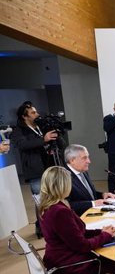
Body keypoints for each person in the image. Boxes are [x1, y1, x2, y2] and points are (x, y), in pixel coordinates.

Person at [39, 166, 115, 274]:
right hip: (68, 269)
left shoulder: (49, 206)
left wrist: (101, 231)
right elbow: (82, 246)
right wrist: (104, 236)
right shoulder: (59, 211)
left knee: (109, 263)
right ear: (62, 185)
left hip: (58, 261)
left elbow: (77, 232)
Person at [14, 101, 66, 237]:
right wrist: (44, 139)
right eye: (33, 113)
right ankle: (41, 226)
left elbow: (61, 144)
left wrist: (57, 133)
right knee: (41, 200)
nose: (37, 114)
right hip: (35, 169)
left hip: (50, 166)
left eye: (36, 111)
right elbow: (22, 145)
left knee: (56, 197)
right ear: (25, 117)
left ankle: (55, 224)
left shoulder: (41, 126)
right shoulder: (19, 130)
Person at [64, 144, 115, 216]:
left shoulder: (83, 171)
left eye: (88, 157)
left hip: (94, 213)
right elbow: (66, 205)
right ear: (72, 160)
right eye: (84, 158)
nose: (89, 161)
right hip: (79, 219)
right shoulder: (63, 177)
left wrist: (103, 194)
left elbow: (89, 194)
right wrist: (93, 203)